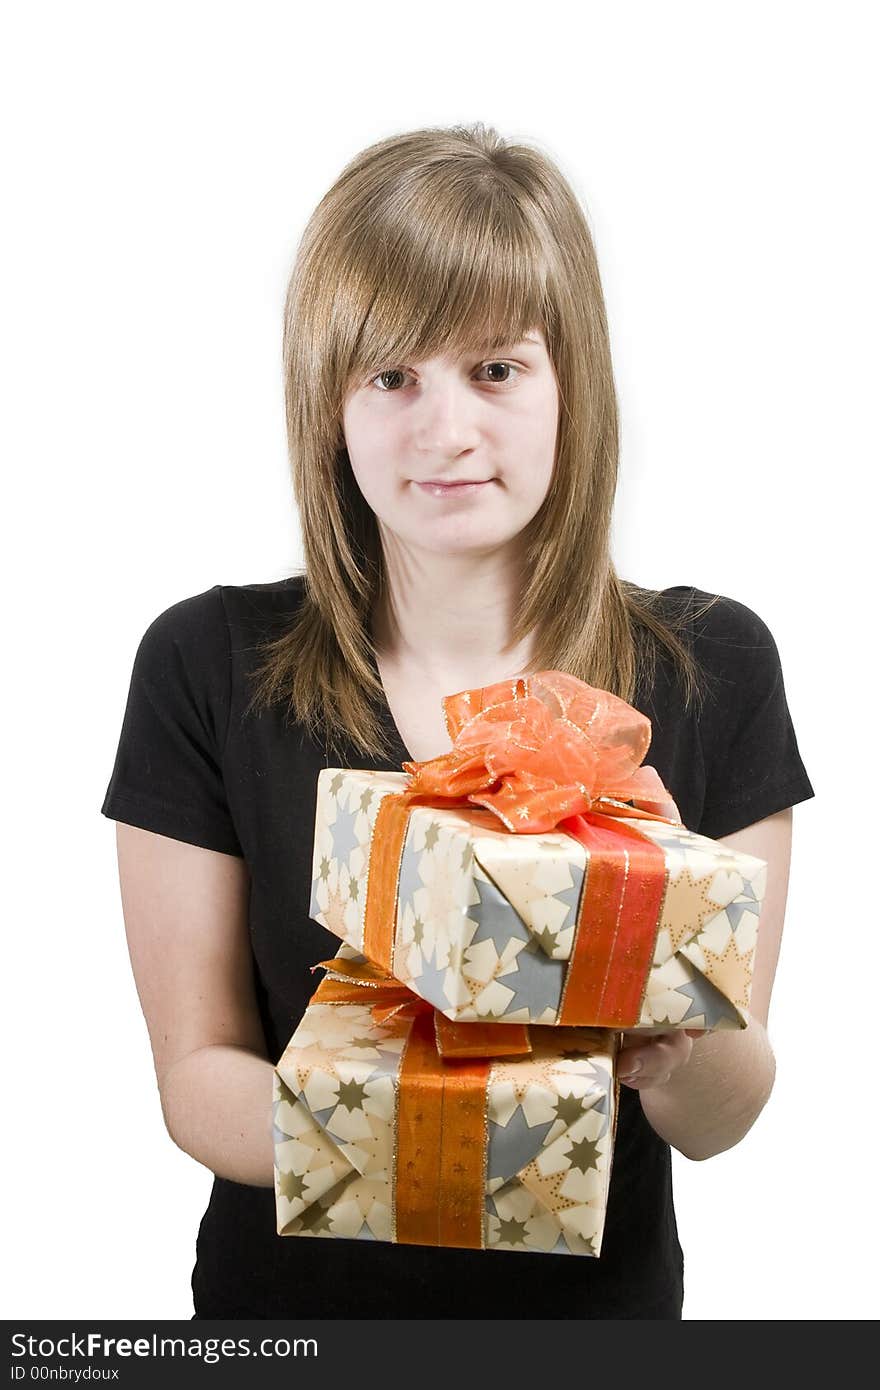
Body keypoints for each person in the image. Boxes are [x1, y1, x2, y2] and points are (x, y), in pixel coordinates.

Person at [101, 122, 815, 1319]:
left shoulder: (711, 666)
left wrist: (668, 964)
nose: (446, 432)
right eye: (392, 375)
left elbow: (720, 1120)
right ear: (327, 399)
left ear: (568, 382)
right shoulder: (205, 662)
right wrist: (460, 1148)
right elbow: (195, 1080)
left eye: (494, 368)